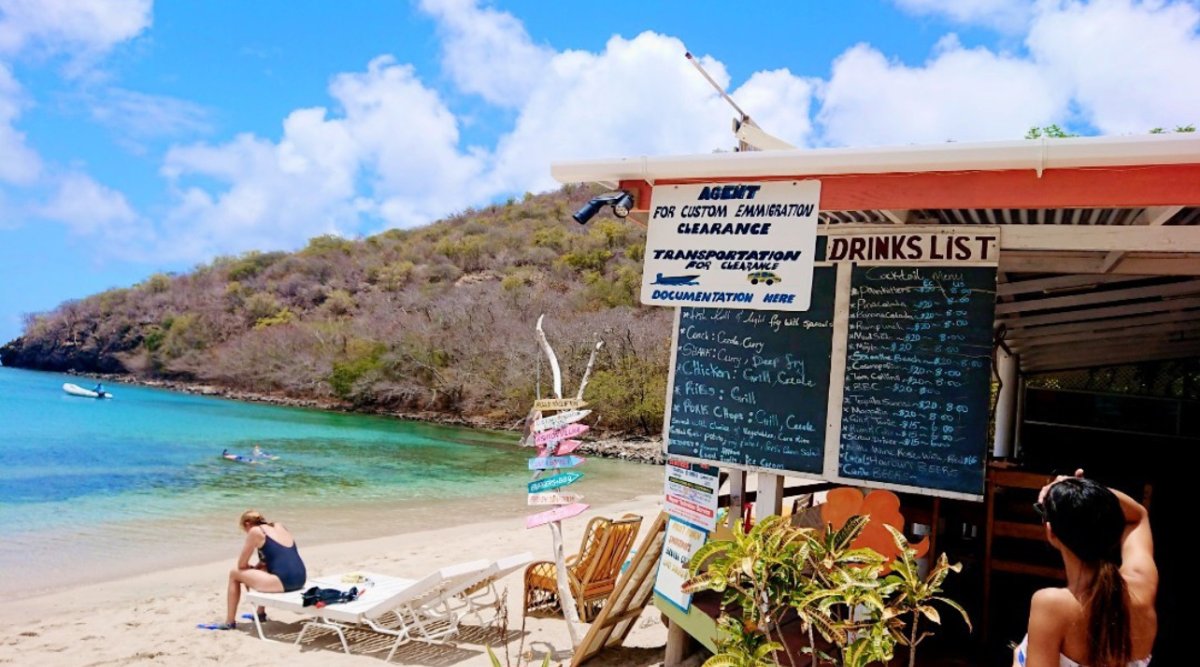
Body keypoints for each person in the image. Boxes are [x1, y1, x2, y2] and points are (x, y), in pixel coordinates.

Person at [1013, 469, 1157, 667]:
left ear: (1051, 532)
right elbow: (1138, 515)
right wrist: (1087, 492)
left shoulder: (1052, 606)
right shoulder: (1142, 586)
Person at [219, 510, 307, 630]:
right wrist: (256, 568)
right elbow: (278, 556)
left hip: (284, 581)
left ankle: (229, 622)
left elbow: (241, 565)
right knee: (263, 568)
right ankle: (260, 614)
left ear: (247, 523)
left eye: (244, 529)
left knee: (234, 573)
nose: (246, 532)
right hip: (301, 578)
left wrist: (250, 571)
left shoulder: (255, 531)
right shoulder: (279, 526)